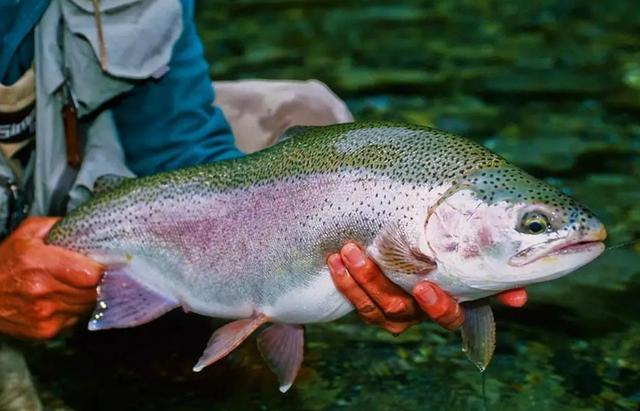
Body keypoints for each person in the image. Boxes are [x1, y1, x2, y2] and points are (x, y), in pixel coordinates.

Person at [0, 0, 527, 395]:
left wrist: (274, 249)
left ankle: (207, 304)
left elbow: (179, 144)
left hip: (65, 158)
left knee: (311, 114)